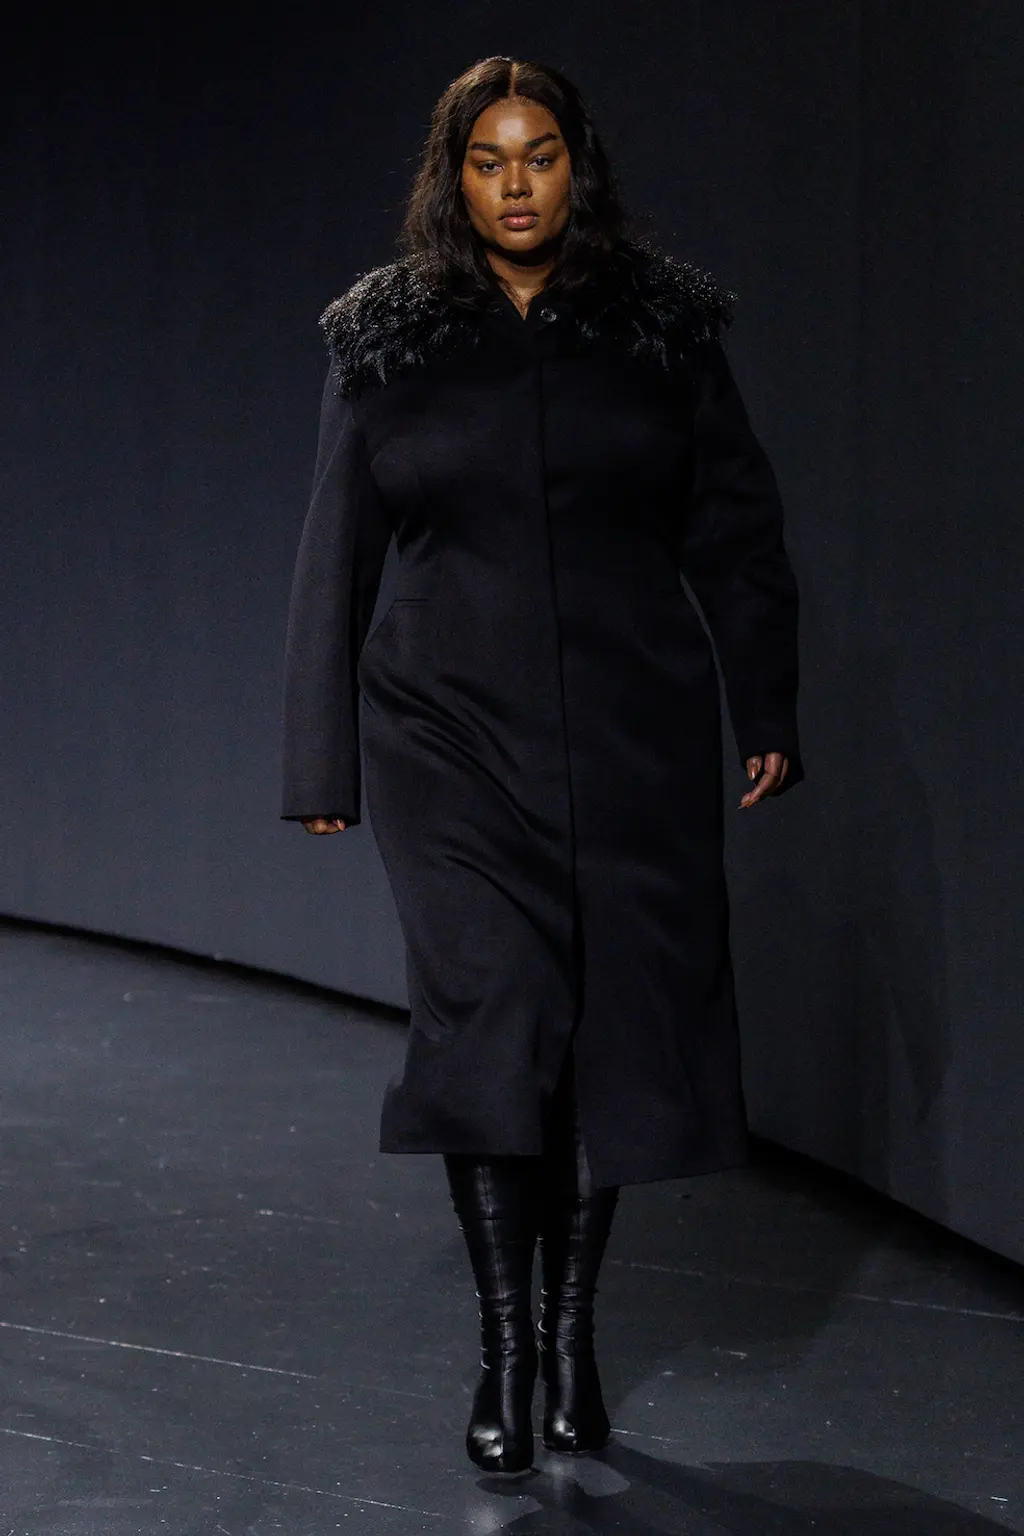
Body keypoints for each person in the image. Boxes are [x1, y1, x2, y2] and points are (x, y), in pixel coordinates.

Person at [280, 55, 803, 1475]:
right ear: (452, 178)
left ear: (581, 166)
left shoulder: (660, 328)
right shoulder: (387, 338)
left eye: (541, 155)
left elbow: (734, 526)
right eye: (488, 160)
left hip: (630, 737)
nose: (516, 185)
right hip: (446, 737)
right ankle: (506, 1350)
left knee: (603, 1042)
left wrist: (764, 701)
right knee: (492, 1019)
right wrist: (322, 758)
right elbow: (337, 553)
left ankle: (573, 1344)